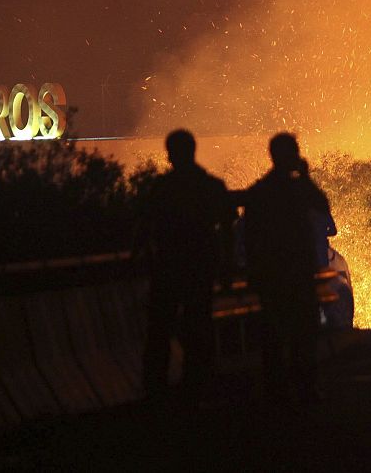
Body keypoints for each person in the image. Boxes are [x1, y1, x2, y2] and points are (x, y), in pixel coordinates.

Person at [140, 129, 234, 399]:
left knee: (160, 329)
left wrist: (143, 259)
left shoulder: (162, 188)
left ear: (170, 154)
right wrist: (226, 267)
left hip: (168, 268)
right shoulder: (211, 186)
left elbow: (145, 227)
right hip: (200, 268)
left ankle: (156, 388)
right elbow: (227, 228)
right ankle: (197, 385)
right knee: (199, 326)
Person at [242, 131, 333, 402]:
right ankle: (304, 387)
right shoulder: (296, 189)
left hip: (272, 274)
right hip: (295, 272)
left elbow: (249, 236)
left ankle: (277, 391)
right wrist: (305, 177)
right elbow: (322, 205)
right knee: (302, 331)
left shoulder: (260, 191)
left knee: (275, 334)